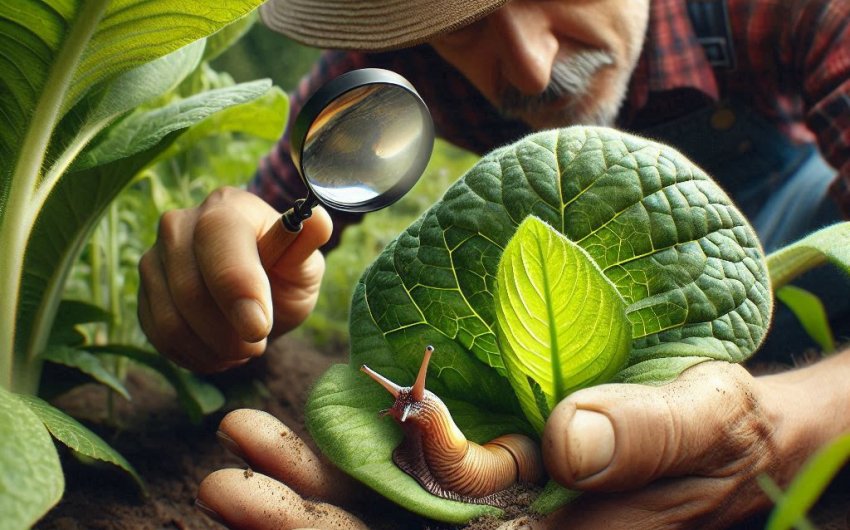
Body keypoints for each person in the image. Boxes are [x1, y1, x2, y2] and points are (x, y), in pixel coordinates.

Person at [137, 0, 850, 528]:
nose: (533, 67)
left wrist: (792, 425)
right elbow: (283, 211)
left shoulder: (786, 8)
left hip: (799, 244)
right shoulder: (397, 69)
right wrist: (227, 294)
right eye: (465, 24)